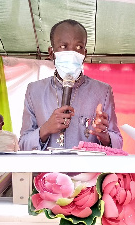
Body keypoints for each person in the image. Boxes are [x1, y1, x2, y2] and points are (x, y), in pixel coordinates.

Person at [19, 19, 122, 150]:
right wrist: (45, 129)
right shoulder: (34, 91)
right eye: (63, 46)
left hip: (87, 170)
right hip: (46, 170)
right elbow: (23, 144)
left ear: (84, 53)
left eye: (78, 47)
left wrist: (105, 137)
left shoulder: (102, 91)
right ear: (51, 53)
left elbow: (118, 141)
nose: (72, 53)